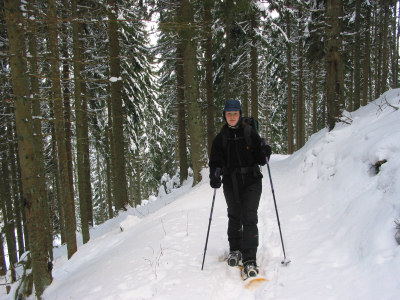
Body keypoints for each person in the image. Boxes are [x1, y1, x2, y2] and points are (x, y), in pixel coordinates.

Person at [208, 99, 271, 278]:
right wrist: (215, 175)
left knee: (249, 216)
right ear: (225, 116)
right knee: (234, 215)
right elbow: (215, 162)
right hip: (231, 182)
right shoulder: (220, 139)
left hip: (252, 180)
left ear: (240, 114)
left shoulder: (250, 133)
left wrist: (265, 150)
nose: (232, 117)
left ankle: (250, 258)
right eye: (229, 114)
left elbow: (260, 159)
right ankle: (235, 250)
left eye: (235, 114)